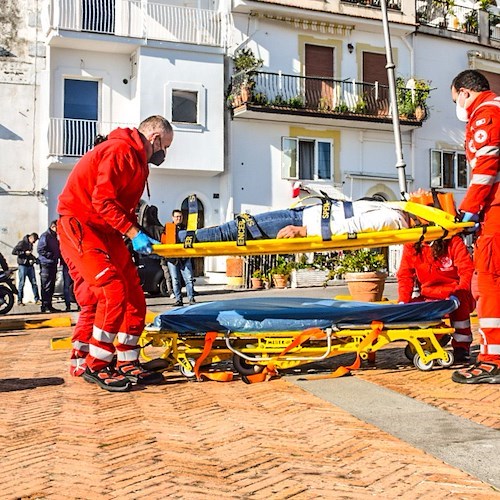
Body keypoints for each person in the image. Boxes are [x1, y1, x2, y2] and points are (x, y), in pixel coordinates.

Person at [57, 115, 174, 392]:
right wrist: (134, 234)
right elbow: (102, 200)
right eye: (166, 146)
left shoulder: (135, 159)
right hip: (82, 224)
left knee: (134, 293)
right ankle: (96, 363)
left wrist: (131, 231)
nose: (165, 153)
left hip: (107, 230)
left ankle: (127, 359)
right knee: (111, 290)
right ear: (155, 139)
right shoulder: (119, 151)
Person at [450, 70, 500, 384]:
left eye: (456, 99)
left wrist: (469, 209)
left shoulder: (486, 113)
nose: (458, 107)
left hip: (497, 209)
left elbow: (486, 165)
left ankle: (492, 359)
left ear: (466, 92)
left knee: (489, 281)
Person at [176, 199, 410, 242]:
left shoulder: (392, 217)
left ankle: (179, 238)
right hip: (301, 216)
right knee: (235, 228)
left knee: (233, 230)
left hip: (301, 221)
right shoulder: (393, 210)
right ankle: (181, 236)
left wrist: (303, 231)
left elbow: (350, 226)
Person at [397, 236, 475, 363]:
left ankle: (462, 347)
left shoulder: (453, 242)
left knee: (461, 309)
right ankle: (435, 337)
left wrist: (458, 295)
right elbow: (405, 275)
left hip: (454, 293)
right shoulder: (412, 244)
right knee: (412, 309)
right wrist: (402, 302)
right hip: (428, 295)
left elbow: (466, 271)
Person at [167, 209, 196, 306]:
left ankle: (191, 299)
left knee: (189, 279)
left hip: (185, 257)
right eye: (176, 217)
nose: (178, 218)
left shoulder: (187, 228)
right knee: (175, 280)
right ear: (173, 218)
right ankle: (178, 300)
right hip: (173, 258)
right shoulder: (168, 228)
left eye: (180, 216)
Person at [37, 220, 62, 313]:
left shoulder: (54, 236)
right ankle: (45, 305)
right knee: (46, 285)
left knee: (51, 286)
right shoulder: (45, 236)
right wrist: (50, 255)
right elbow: (40, 249)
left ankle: (49, 305)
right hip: (46, 264)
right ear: (53, 227)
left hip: (53, 263)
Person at [12, 232, 41, 306]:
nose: (34, 243)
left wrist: (34, 259)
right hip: (23, 266)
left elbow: (30, 254)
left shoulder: (30, 244)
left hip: (30, 266)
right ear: (31, 238)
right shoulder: (22, 243)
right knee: (22, 283)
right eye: (34, 241)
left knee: (34, 282)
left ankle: (37, 299)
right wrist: (24, 253)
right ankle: (19, 300)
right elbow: (14, 252)